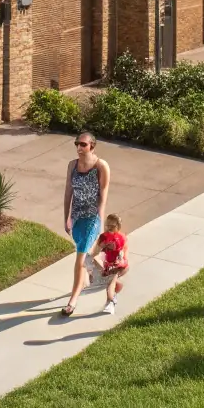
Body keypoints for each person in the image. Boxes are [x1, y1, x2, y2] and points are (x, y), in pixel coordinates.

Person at [60, 131, 110, 317]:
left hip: (92, 218)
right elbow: (68, 193)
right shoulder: (72, 165)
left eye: (83, 144)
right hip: (77, 217)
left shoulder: (101, 166)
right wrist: (67, 217)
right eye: (77, 144)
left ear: (92, 146)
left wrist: (100, 222)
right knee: (84, 256)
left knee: (80, 259)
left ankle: (72, 301)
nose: (79, 148)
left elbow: (103, 195)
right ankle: (107, 273)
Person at [93, 213, 129, 315]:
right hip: (106, 264)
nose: (109, 228)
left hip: (118, 265)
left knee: (110, 283)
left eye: (112, 226)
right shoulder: (103, 237)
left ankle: (110, 302)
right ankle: (115, 292)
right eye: (107, 225)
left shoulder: (121, 238)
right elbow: (95, 253)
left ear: (118, 227)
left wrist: (119, 261)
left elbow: (123, 254)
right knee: (111, 281)